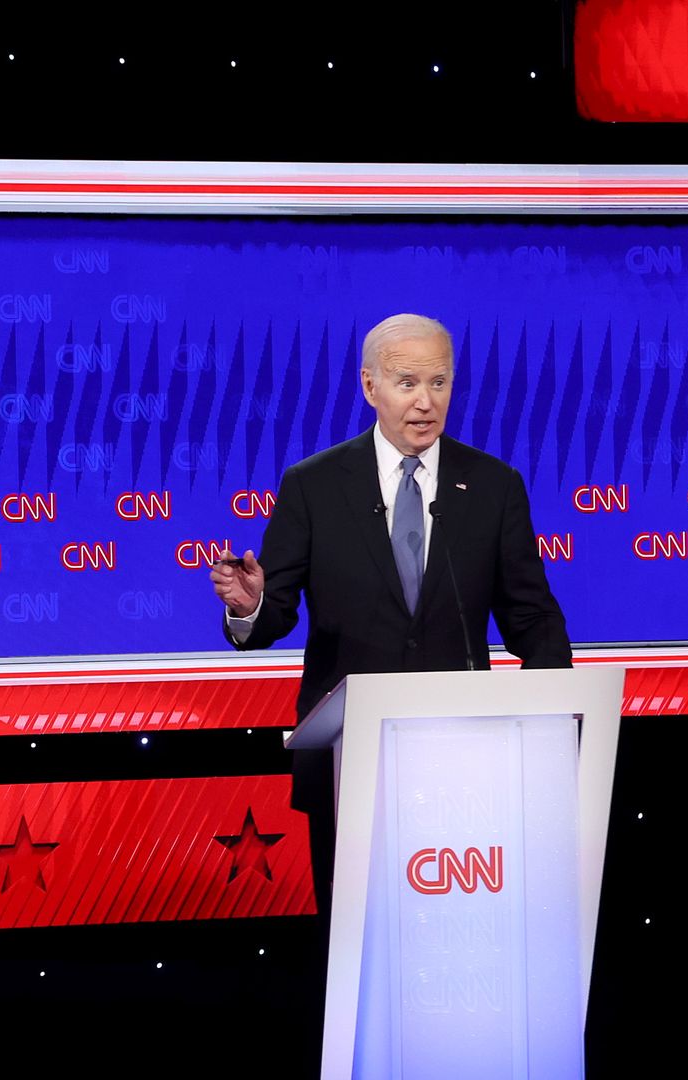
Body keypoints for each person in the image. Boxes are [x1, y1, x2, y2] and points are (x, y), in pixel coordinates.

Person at [209, 312, 572, 916]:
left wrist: (552, 728)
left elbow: (531, 619)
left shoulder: (493, 486)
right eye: (407, 383)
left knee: (459, 930)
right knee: (355, 942)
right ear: (370, 386)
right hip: (350, 764)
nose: (426, 402)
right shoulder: (314, 486)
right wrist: (250, 609)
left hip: (465, 765)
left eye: (440, 382)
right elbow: (273, 614)